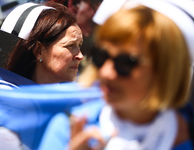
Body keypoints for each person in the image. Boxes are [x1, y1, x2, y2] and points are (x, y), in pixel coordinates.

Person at [38, 0, 194, 149]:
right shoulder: (70, 129)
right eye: (101, 56)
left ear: (166, 70)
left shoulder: (185, 136)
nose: (106, 72)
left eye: (126, 63)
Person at [0, 1, 84, 84]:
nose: (80, 56)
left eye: (79, 45)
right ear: (39, 50)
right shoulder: (4, 94)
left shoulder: (78, 96)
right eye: (70, 45)